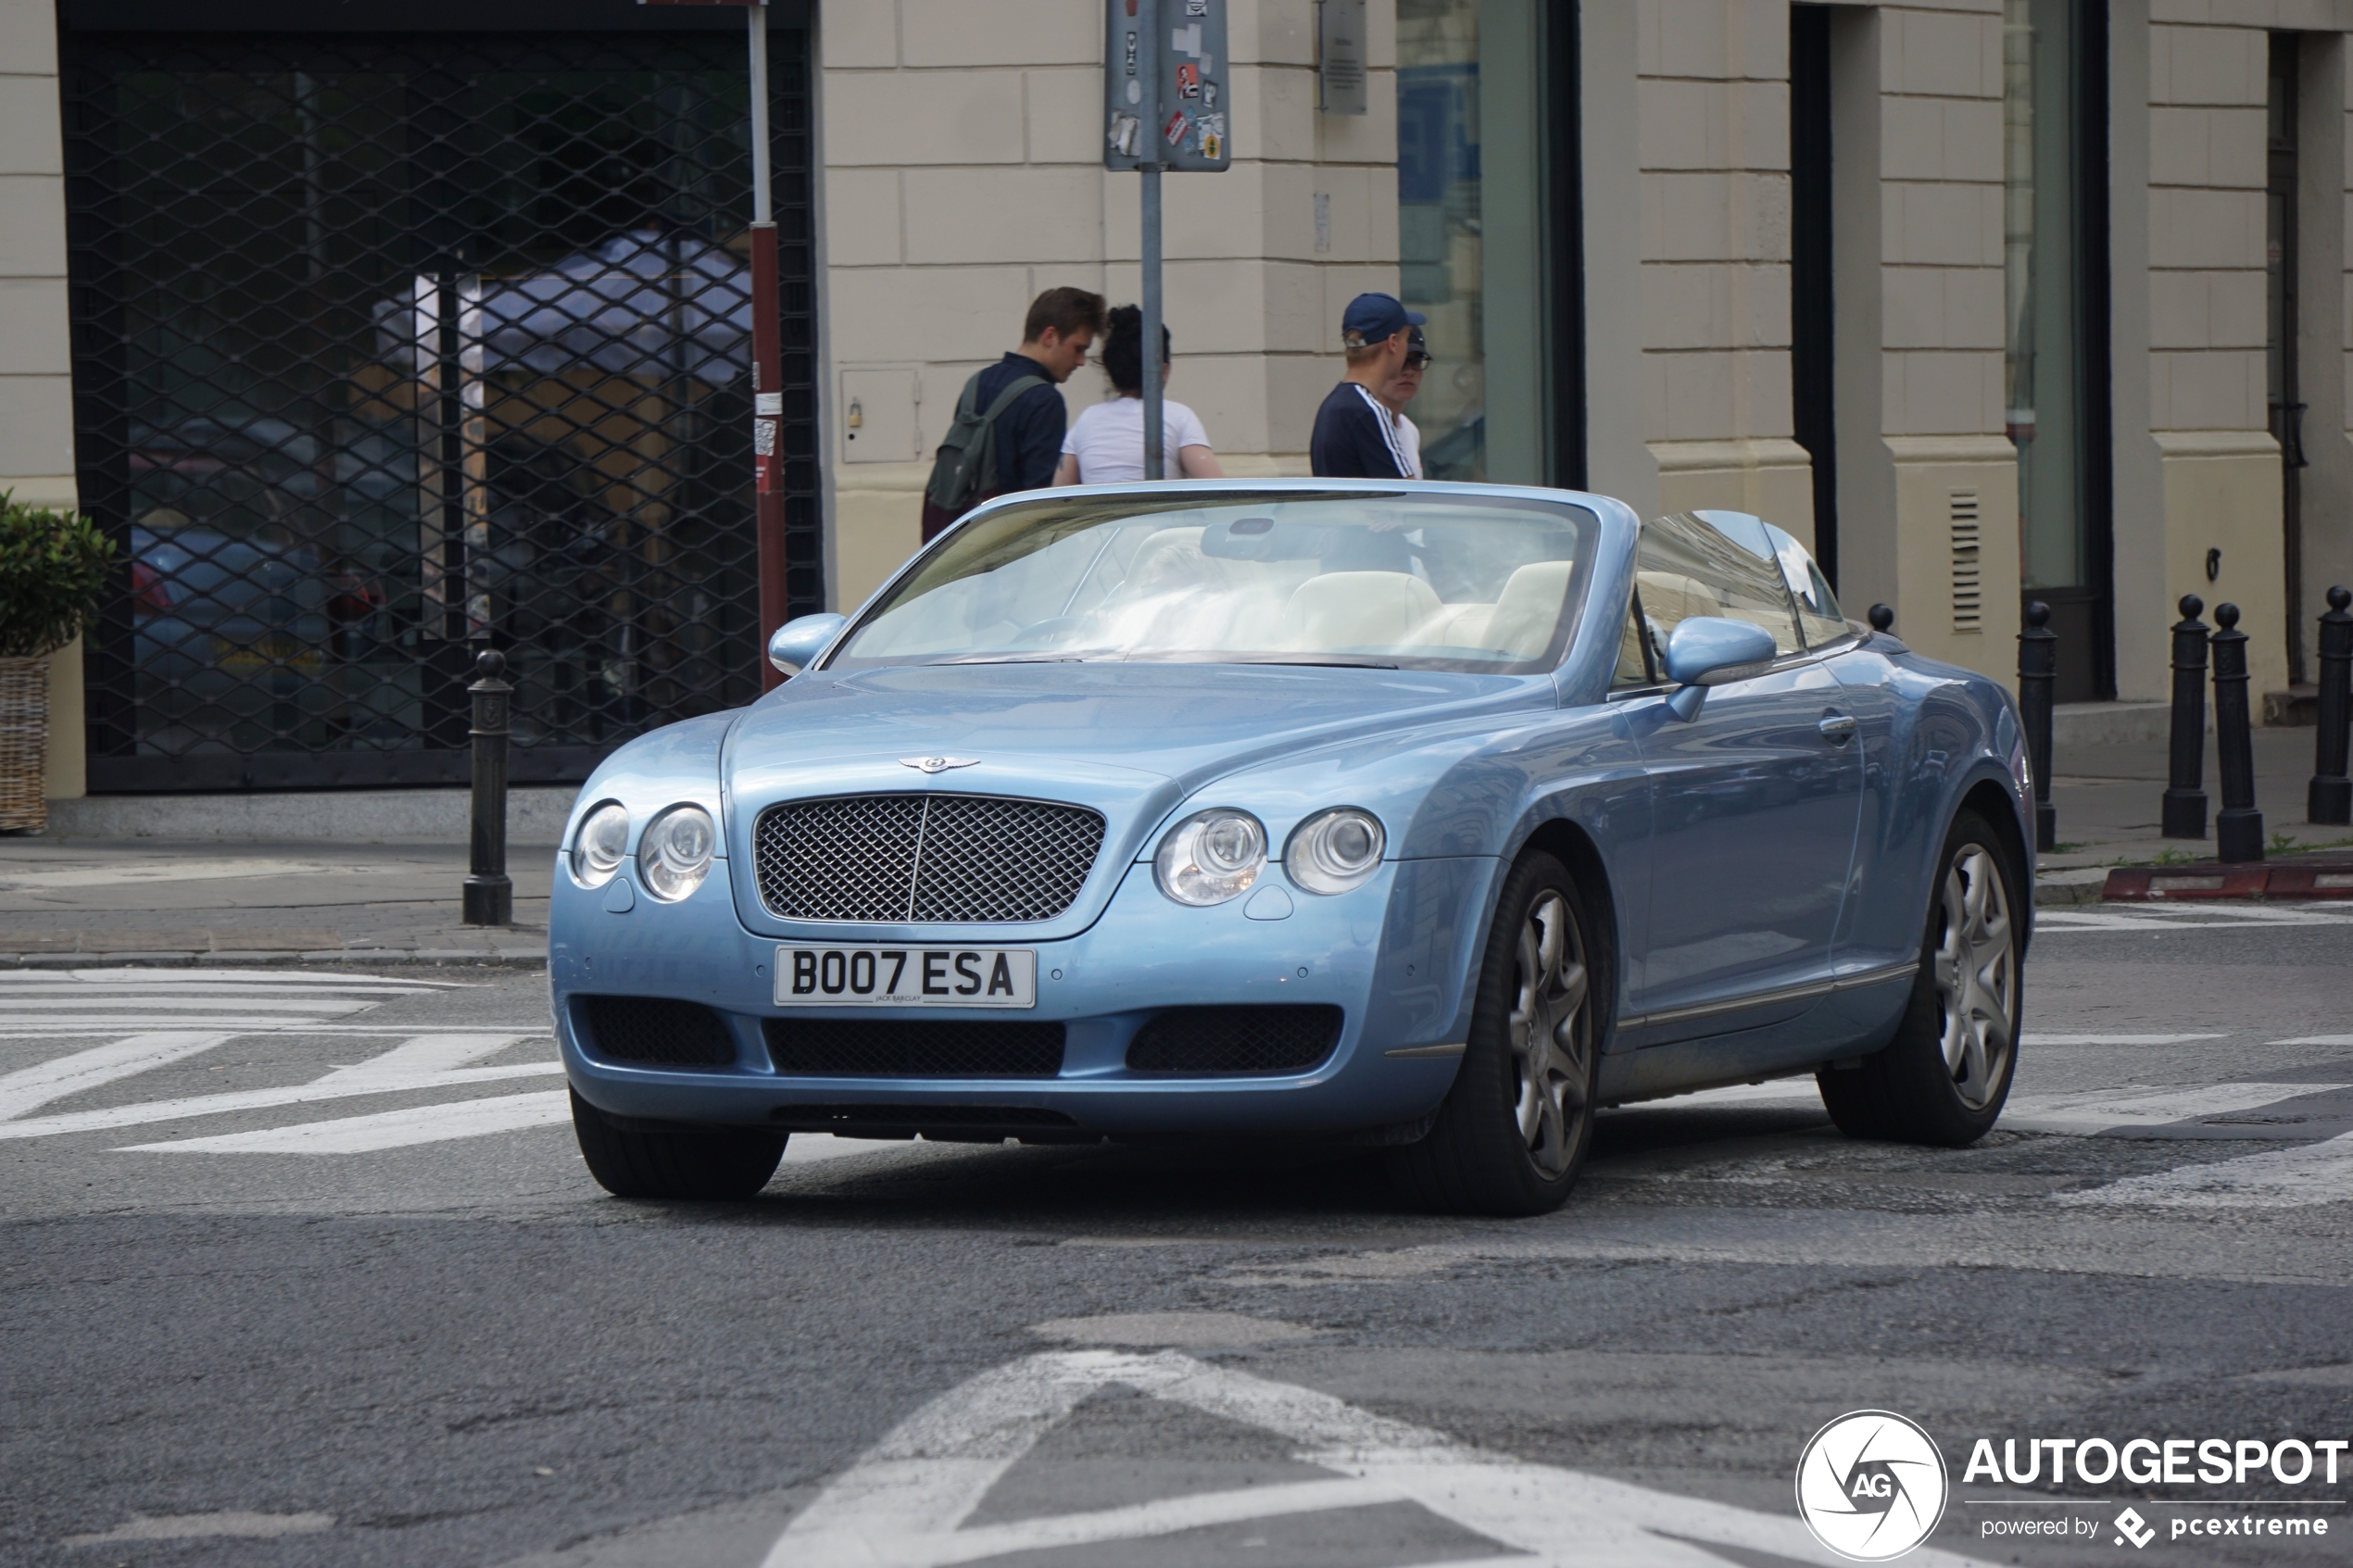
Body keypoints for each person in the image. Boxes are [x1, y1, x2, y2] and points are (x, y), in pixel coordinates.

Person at [920, 286, 1105, 541]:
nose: (1081, 361)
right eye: (1078, 348)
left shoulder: (978, 383)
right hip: (1004, 551)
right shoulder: (1044, 400)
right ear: (1050, 336)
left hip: (957, 542)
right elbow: (1037, 502)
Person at [1052, 305, 1225, 484]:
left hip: (1105, 513)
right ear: (1163, 370)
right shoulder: (1179, 417)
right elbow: (1217, 488)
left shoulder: (1086, 420)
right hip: (1159, 514)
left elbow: (1059, 494)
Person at [1309, 292, 1422, 479]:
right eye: (1406, 339)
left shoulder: (1333, 406)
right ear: (1393, 343)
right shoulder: (1368, 412)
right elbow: (1406, 497)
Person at [1374, 325, 1428, 479]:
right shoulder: (1368, 425)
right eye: (1401, 361)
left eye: (1416, 361)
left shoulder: (1410, 430)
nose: (1409, 371)